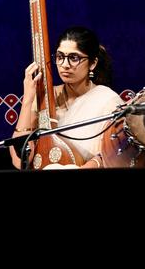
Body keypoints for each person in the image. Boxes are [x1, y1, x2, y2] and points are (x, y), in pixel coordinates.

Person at [10, 26, 124, 169]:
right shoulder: (45, 99)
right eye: (60, 57)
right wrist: (28, 100)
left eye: (73, 58)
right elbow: (19, 160)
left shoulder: (107, 100)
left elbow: (114, 154)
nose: (64, 65)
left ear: (92, 63)